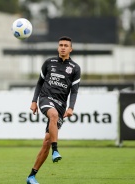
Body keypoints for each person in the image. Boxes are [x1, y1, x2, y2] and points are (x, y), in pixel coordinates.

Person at [26, 36, 81, 184]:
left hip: (61, 104)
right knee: (53, 115)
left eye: (66, 45)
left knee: (46, 142)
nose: (63, 47)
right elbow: (39, 83)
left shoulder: (75, 68)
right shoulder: (49, 63)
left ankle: (31, 176)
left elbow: (74, 91)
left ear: (71, 49)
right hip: (45, 98)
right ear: (58, 48)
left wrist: (71, 107)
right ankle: (55, 150)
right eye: (60, 45)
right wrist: (34, 101)